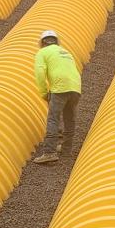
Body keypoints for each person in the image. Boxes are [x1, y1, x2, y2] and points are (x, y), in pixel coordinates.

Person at [32, 28, 82, 163]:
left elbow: (40, 73)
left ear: (42, 43)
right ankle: (66, 150)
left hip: (60, 87)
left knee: (53, 119)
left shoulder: (42, 52)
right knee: (69, 119)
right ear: (56, 42)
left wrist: (43, 92)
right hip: (75, 87)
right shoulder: (66, 52)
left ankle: (50, 152)